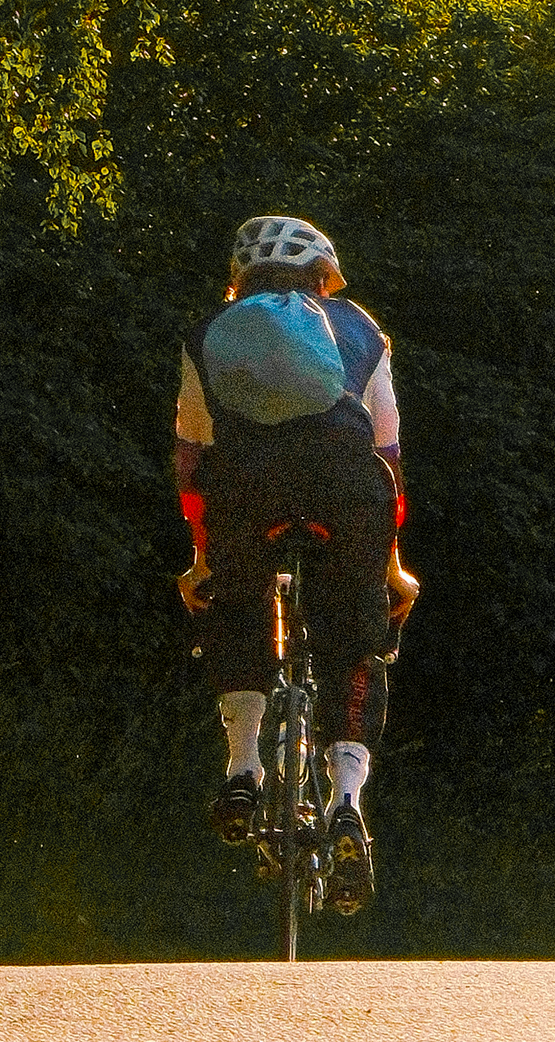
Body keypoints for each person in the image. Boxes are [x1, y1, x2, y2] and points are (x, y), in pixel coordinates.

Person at [174, 212, 415, 915]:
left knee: (234, 602)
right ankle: (346, 803)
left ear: (240, 280)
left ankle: (243, 768)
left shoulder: (206, 334)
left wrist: (202, 559)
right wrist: (390, 564)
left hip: (245, 491)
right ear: (323, 275)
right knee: (355, 636)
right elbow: (389, 453)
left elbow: (192, 457)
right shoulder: (361, 329)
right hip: (347, 492)